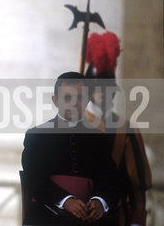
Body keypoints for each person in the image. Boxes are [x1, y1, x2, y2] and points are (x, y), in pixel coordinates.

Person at [21, 71, 118, 226]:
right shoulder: (37, 135)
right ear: (55, 100)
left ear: (87, 100)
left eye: (79, 97)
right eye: (67, 97)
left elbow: (109, 179)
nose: (74, 103)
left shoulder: (100, 138)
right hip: (47, 214)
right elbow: (34, 180)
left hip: (90, 219)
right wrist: (66, 201)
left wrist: (99, 201)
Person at [84, 31, 152, 226]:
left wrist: (138, 220)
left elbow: (137, 185)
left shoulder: (126, 129)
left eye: (107, 88)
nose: (103, 94)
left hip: (116, 217)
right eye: (98, 89)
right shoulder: (74, 125)